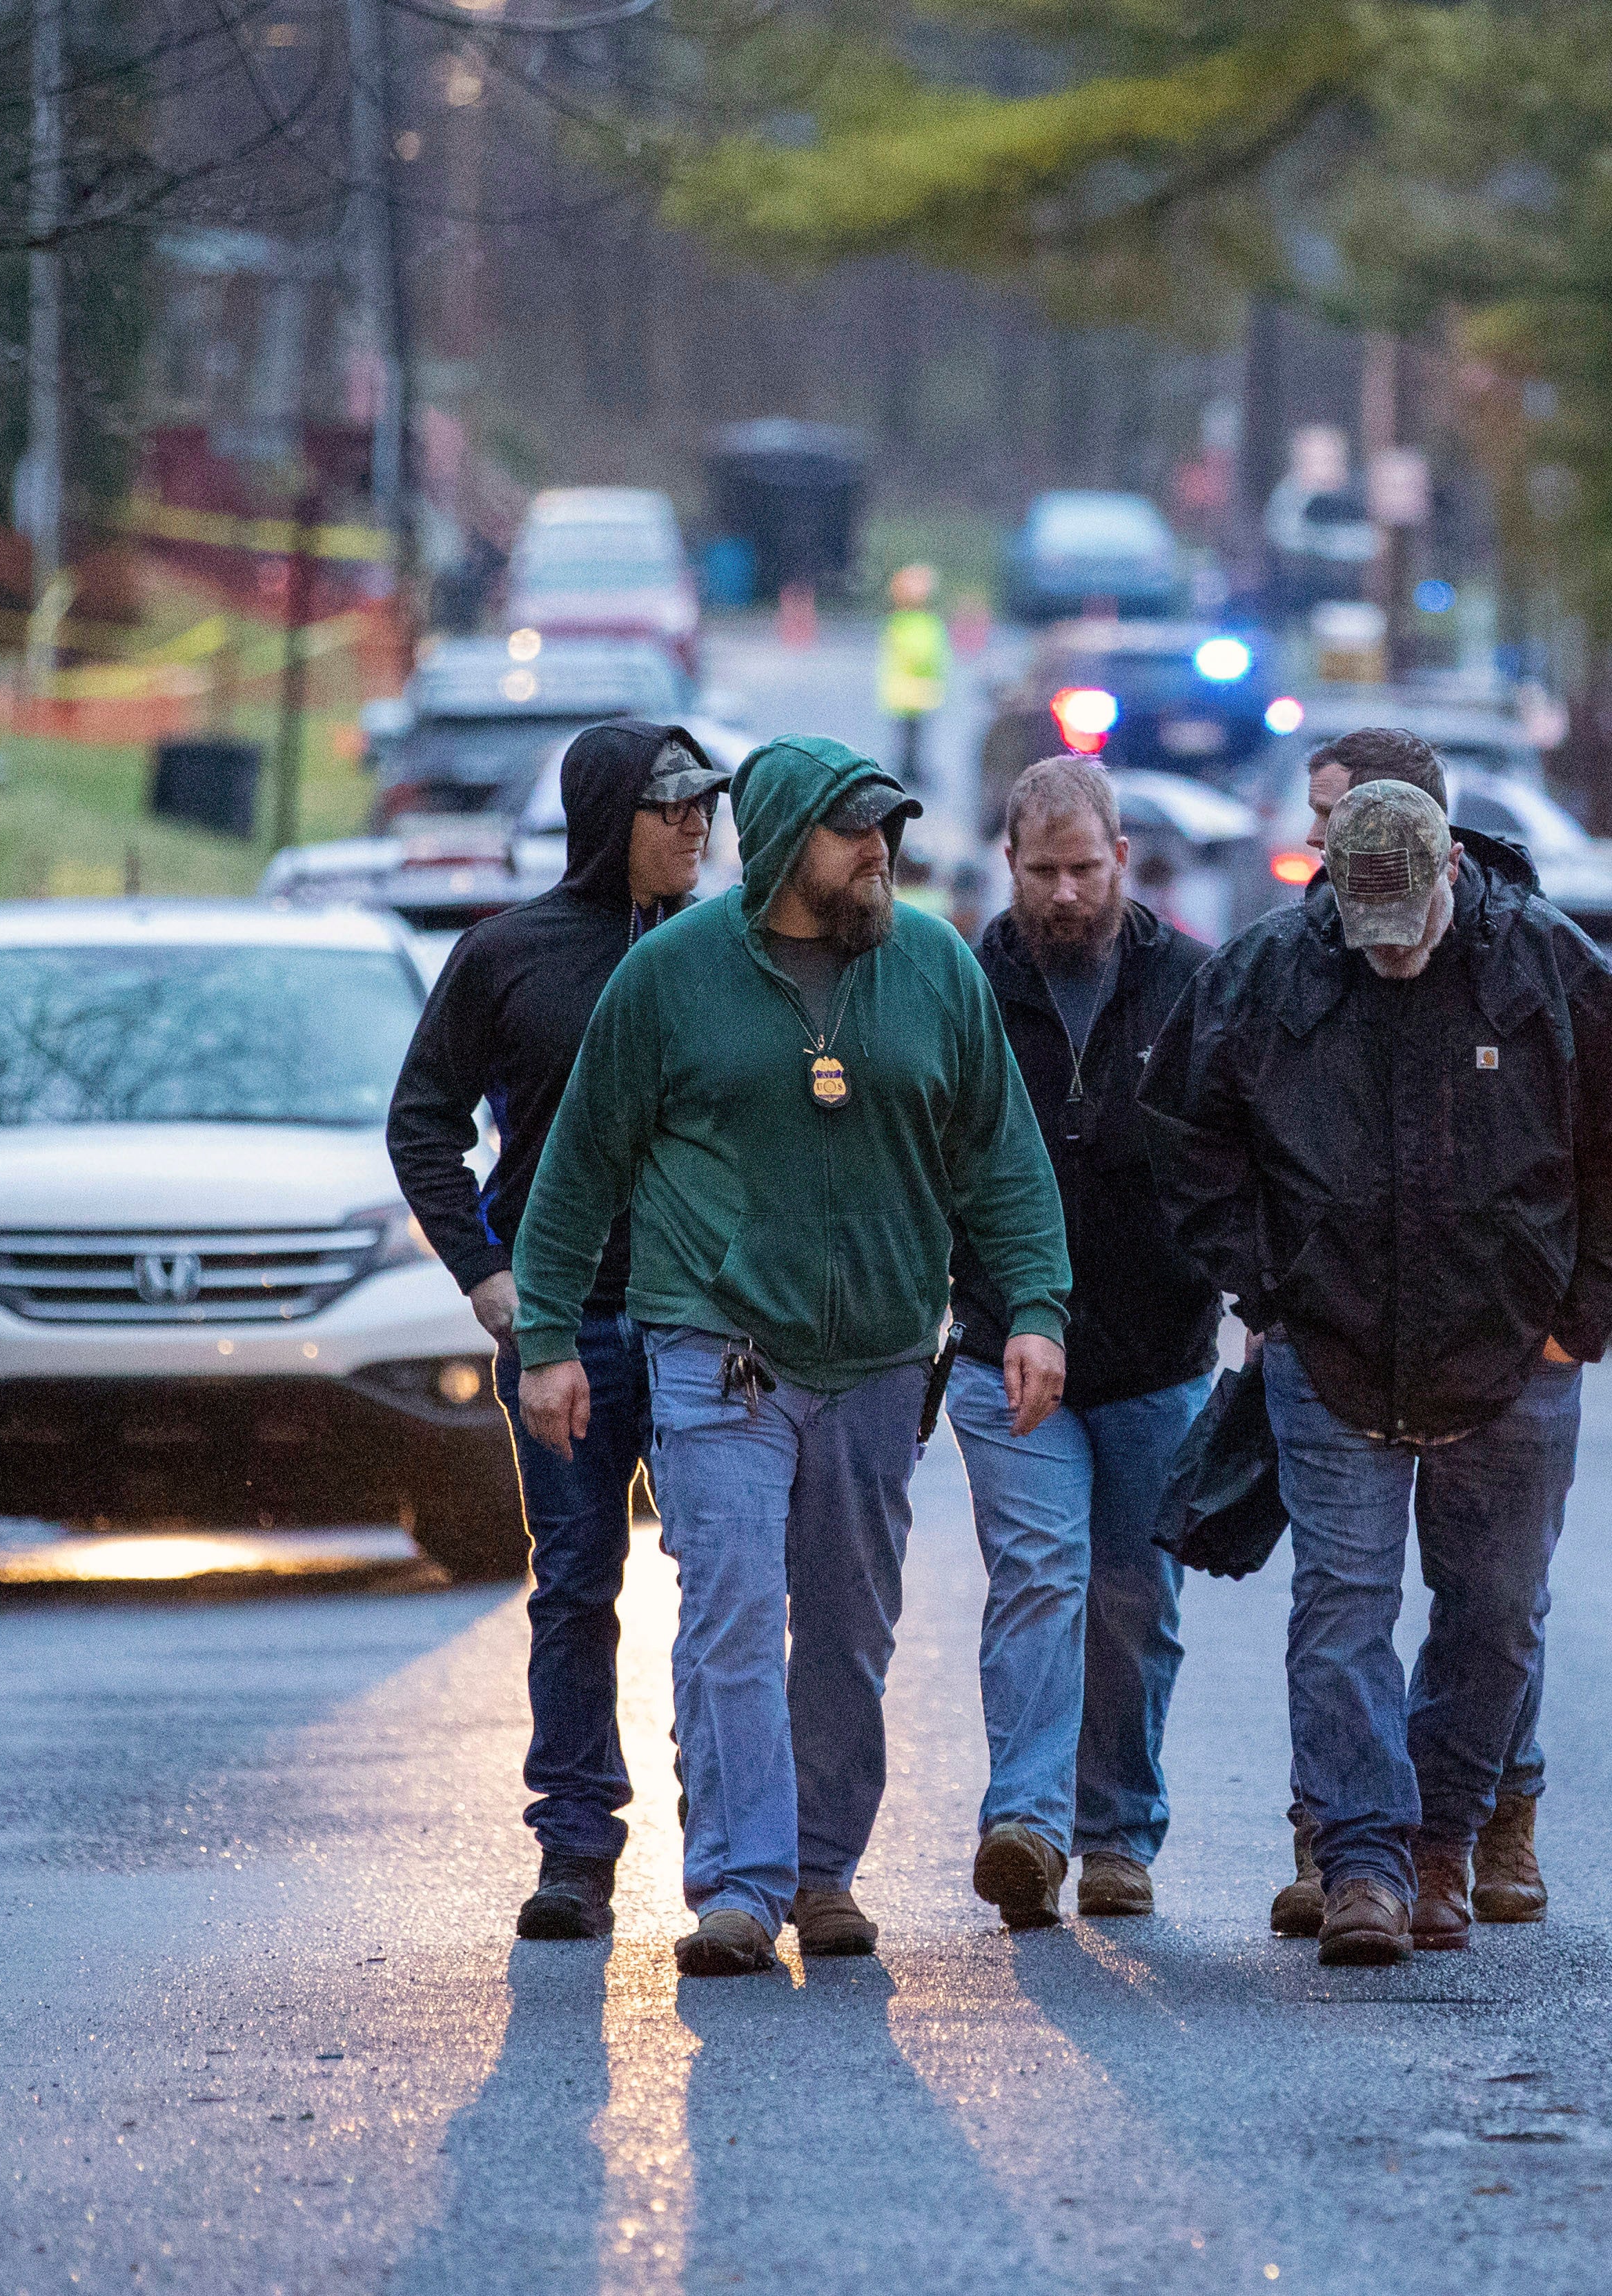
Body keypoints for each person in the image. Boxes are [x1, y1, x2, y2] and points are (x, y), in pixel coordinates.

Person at [511, 734, 1072, 1979]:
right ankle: (738, 1885)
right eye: (850, 830)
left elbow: (1002, 1156)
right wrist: (547, 1336)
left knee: (847, 1628)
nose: (878, 851)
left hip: (877, 1356)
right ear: (779, 846)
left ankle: (824, 1871)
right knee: (724, 1612)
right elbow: (580, 1167)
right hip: (719, 1348)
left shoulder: (932, 966)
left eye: (888, 829)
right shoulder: (668, 977)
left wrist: (1035, 1304)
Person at [1143, 736, 1612, 1967]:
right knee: (1340, 1612)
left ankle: (1447, 1838)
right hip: (1330, 1353)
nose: (1389, 949)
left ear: (1452, 869)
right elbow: (1184, 1131)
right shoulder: (1270, 973)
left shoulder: (1546, 966)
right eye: (1363, 921)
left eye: (1409, 922)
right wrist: (1262, 1280)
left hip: (1513, 1360)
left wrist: (1573, 1317)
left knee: (1492, 1614)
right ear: (1326, 879)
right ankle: (1363, 1865)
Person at [386, 719, 728, 1943]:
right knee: (576, 1581)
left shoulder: (728, 951)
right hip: (565, 1328)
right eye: (670, 802)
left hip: (702, 1322)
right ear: (605, 817)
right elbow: (422, 1120)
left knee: (725, 1588)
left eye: (706, 804)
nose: (696, 823)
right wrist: (483, 1273)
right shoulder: (506, 953)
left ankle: (733, 1851)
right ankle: (575, 1846)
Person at [945, 757, 1221, 1927]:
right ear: (1010, 865)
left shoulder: (1192, 984)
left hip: (1159, 1353)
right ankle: (1026, 1822)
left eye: (1084, 868)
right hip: (1004, 1345)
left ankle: (1117, 1832)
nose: (1065, 895)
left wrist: (1242, 1290)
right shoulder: (961, 986)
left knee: (1135, 1598)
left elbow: (1233, 1154)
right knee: (1041, 1579)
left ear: (1123, 859)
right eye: (1042, 871)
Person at [877, 564, 950, 796]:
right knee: (910, 735)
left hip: (912, 692)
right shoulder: (918, 624)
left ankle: (910, 769)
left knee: (913, 735)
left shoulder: (900, 623)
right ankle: (909, 770)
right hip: (913, 691)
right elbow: (928, 654)